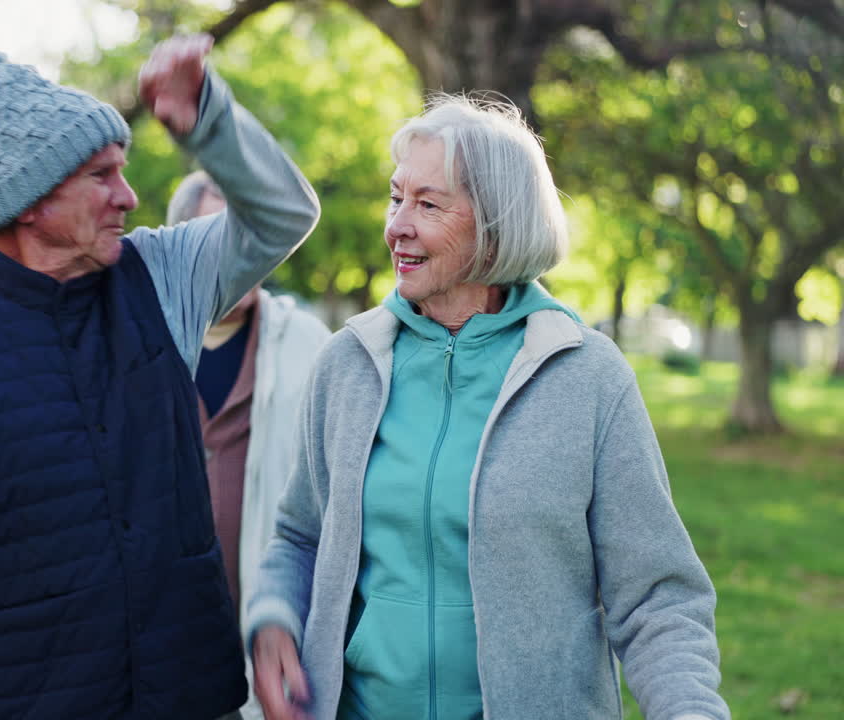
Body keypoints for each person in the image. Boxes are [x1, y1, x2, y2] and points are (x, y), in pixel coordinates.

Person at [0, 35, 320, 720]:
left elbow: (284, 214)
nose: (128, 197)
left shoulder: (160, 277)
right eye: (102, 175)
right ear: (31, 200)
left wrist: (206, 119)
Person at [246, 95, 729, 720]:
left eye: (428, 203)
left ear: (495, 224)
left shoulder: (587, 378)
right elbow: (299, 534)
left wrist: (690, 709)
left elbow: (658, 596)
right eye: (396, 198)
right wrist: (275, 614)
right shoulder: (349, 365)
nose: (397, 225)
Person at [166, 171, 332, 720]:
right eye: (220, 237)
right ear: (181, 248)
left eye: (251, 235)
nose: (243, 253)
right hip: (163, 662)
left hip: (275, 659)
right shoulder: (143, 348)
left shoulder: (310, 346)